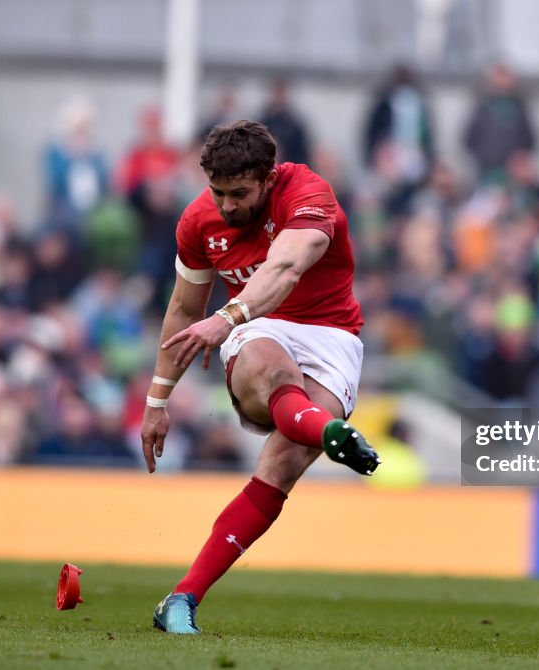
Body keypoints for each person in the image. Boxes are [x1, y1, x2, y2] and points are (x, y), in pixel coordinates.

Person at [140, 120, 380, 634]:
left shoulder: (310, 192)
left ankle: (178, 600)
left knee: (283, 464)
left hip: (331, 335)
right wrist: (157, 401)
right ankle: (333, 434)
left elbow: (285, 269)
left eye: (239, 193)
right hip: (261, 328)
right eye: (217, 192)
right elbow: (183, 311)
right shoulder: (198, 222)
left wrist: (224, 318)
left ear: (269, 178)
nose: (227, 205)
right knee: (269, 369)